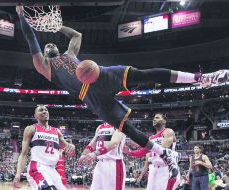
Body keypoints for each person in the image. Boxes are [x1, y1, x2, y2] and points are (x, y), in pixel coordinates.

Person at [16, 5, 229, 179]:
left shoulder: (69, 54)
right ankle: (164, 153)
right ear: (44, 53)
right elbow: (31, 39)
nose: (49, 45)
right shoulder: (44, 66)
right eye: (47, 46)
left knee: (144, 75)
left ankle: (199, 78)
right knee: (126, 128)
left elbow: (77, 35)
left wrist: (57, 26)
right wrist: (21, 16)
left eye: (52, 44)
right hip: (89, 94)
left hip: (99, 74)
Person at [13, 105, 75, 190]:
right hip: (38, 167)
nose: (44, 111)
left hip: (53, 170)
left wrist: (72, 146)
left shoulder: (56, 131)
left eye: (46, 110)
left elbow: (68, 148)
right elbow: (23, 154)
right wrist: (18, 174)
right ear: (35, 116)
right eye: (41, 110)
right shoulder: (31, 129)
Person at [125, 113, 181, 190]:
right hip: (153, 170)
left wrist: (143, 145)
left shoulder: (168, 131)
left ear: (164, 121)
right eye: (154, 118)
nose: (154, 119)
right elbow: (142, 153)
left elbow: (163, 148)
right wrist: (129, 152)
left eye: (157, 118)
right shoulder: (151, 138)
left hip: (166, 168)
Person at [78, 123, 126, 190]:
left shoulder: (120, 124)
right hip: (100, 164)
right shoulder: (100, 127)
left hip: (113, 164)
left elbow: (114, 143)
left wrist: (95, 153)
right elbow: (92, 144)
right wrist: (83, 154)